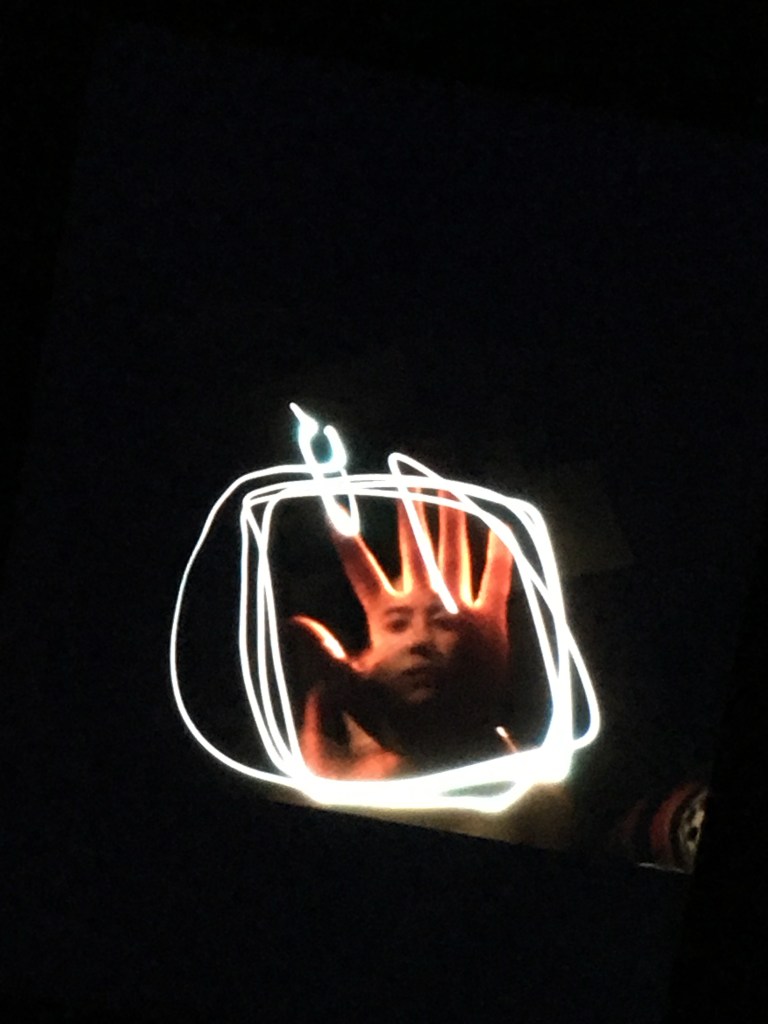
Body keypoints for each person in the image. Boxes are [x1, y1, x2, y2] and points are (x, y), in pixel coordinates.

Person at [288, 491, 573, 849]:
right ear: (364, 662)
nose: (420, 639)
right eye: (397, 625)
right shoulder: (335, 775)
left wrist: (463, 735)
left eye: (444, 623)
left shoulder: (531, 790)